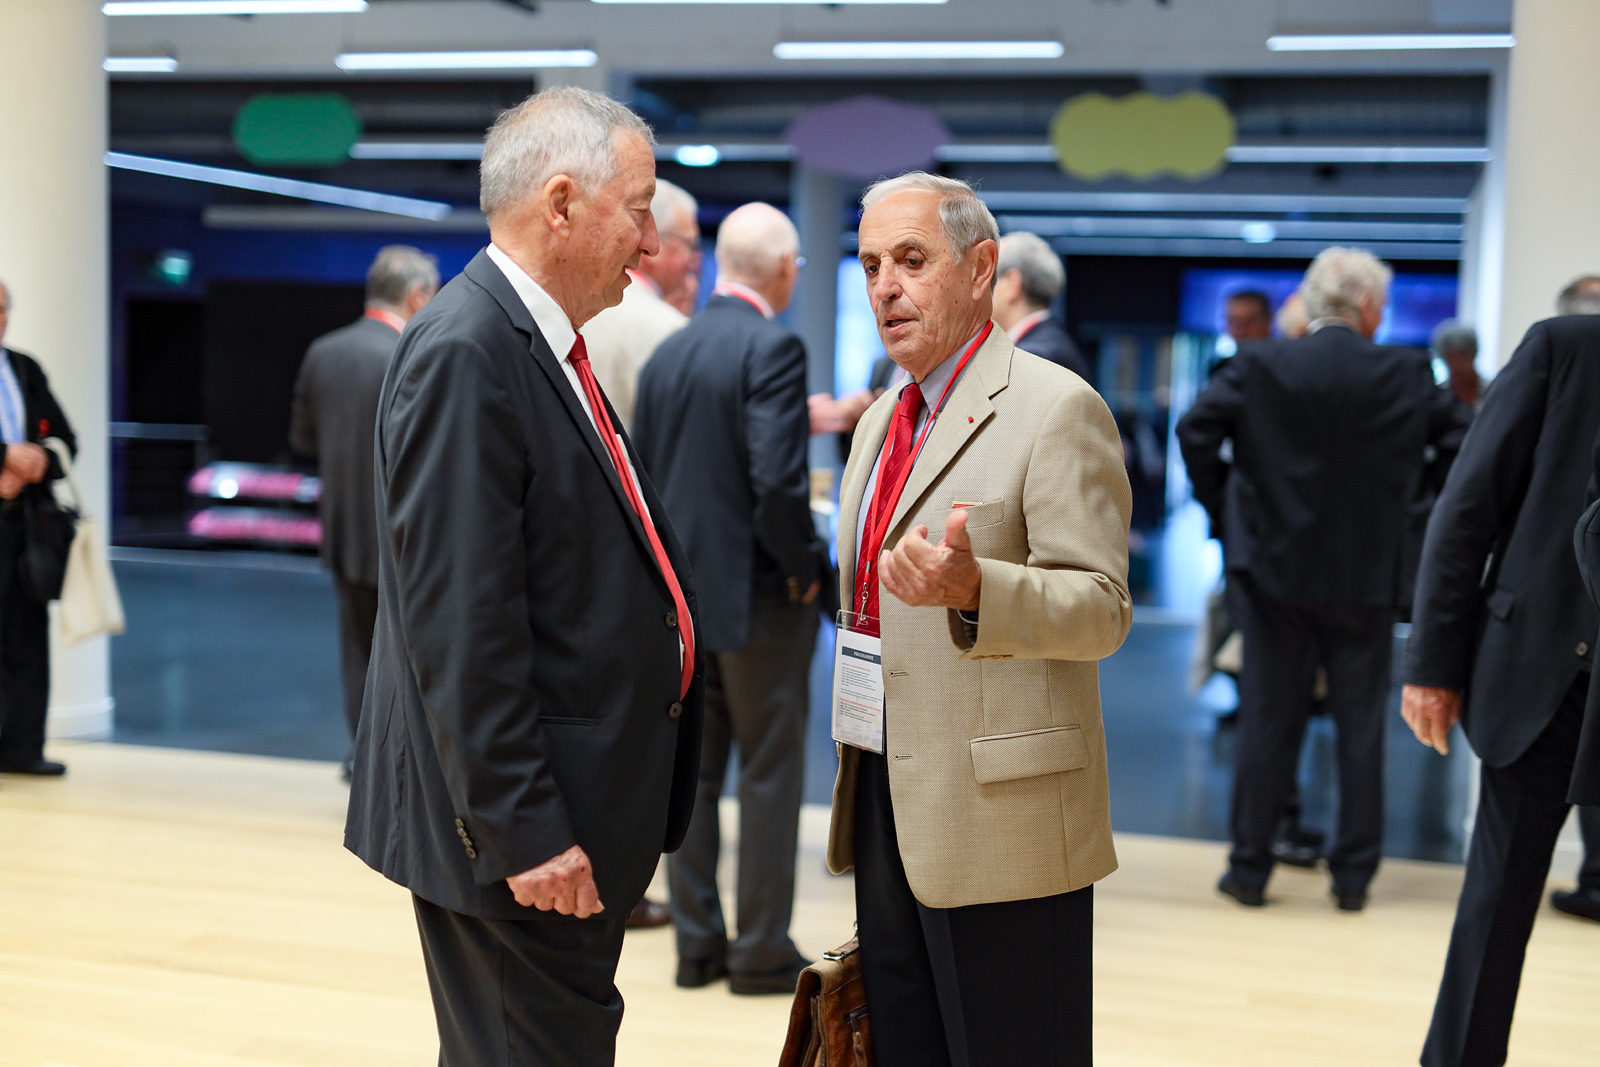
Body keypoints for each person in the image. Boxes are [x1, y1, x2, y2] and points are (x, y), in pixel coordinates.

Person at [343, 87, 704, 1066]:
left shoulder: (538, 343)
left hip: (575, 802)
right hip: (526, 836)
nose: (650, 244)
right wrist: (526, 829)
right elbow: (461, 621)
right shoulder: (470, 350)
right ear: (561, 203)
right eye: (638, 211)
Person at [830, 172, 1132, 1065]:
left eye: (911, 260)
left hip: (1006, 813)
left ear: (980, 268)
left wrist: (977, 591)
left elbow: (1103, 608)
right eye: (871, 265)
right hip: (885, 786)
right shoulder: (878, 422)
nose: (887, 287)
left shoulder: (1056, 406)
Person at [1178, 247, 1468, 911]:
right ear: (1367, 306)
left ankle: (1250, 868)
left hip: (1271, 570)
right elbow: (1463, 441)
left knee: (1267, 721)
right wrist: (1413, 508)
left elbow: (1196, 431)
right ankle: (1353, 877)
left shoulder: (1260, 363)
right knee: (1360, 726)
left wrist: (1228, 508)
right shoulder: (1404, 371)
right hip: (1367, 573)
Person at [632, 202, 827, 995]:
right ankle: (760, 950)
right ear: (781, 268)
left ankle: (697, 943)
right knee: (771, 776)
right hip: (759, 604)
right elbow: (777, 484)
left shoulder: (668, 354)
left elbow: (645, 485)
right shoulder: (774, 346)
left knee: (696, 778)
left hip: (681, 608)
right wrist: (806, 568)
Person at [1402, 308, 1600, 1066]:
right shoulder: (1566, 349)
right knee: (1497, 910)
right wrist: (1432, 663)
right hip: (1547, 677)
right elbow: (1467, 509)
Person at [289, 245, 437, 777]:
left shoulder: (323, 352)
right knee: (413, 653)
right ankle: (406, 765)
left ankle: (365, 757)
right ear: (417, 295)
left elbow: (301, 439)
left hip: (342, 530)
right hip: (405, 534)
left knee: (356, 649)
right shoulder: (415, 355)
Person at [0, 280, 76, 777]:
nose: (0, 319)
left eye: (4, 309)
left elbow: (67, 440)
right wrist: (2, 457)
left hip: (24, 525)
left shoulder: (25, 369)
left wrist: (36, 462)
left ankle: (23, 749)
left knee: (26, 636)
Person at [579, 178, 698, 429]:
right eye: (688, 244)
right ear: (653, 245)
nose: (693, 260)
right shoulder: (671, 330)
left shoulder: (577, 311)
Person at [991, 230, 1090, 380]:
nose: (978, 284)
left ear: (1012, 283)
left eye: (988, 273)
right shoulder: (1049, 346)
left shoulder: (1032, 358)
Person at [1430, 320, 1483, 410]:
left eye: (1462, 357)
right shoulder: (1437, 397)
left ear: (1473, 355)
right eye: (1450, 357)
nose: (1456, 365)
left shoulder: (1493, 391)